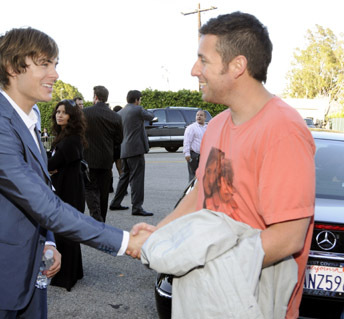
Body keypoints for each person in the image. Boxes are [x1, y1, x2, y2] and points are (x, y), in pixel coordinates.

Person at [0, 27, 150, 319]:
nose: (54, 73)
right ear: (11, 68)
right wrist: (125, 241)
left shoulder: (30, 116)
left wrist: (50, 242)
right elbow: (42, 203)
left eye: (55, 63)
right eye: (44, 63)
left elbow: (42, 188)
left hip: (33, 265)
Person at [135, 12, 315, 318]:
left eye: (203, 60)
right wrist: (159, 233)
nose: (194, 70)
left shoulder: (283, 129)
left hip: (249, 301)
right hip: (207, 296)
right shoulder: (216, 126)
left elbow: (288, 236)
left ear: (237, 66)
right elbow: (200, 196)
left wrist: (208, 263)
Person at [48, 99, 86, 291]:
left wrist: (53, 167)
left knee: (65, 233)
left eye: (64, 112)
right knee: (67, 232)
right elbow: (53, 163)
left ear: (72, 116)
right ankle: (74, 271)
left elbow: (51, 165)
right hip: (65, 189)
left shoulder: (71, 139)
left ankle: (66, 276)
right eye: (57, 112)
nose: (59, 115)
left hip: (69, 192)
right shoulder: (65, 136)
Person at [109, 90, 155, 217]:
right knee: (137, 180)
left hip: (124, 149)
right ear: (137, 100)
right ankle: (137, 207)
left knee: (124, 178)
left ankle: (115, 203)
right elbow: (151, 116)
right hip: (136, 149)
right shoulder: (137, 109)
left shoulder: (120, 112)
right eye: (140, 99)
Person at [83, 86, 123, 223]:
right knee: (103, 192)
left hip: (88, 158)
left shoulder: (85, 113)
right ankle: (102, 220)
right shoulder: (115, 116)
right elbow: (119, 139)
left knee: (90, 189)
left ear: (95, 96)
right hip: (106, 159)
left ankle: (96, 217)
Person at [183, 109, 207, 181]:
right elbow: (187, 141)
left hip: (204, 155)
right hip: (194, 155)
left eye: (201, 115)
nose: (199, 117)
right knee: (193, 176)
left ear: (205, 117)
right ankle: (191, 191)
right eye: (197, 115)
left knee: (203, 175)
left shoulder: (207, 127)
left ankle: (201, 191)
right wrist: (187, 154)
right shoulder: (191, 128)